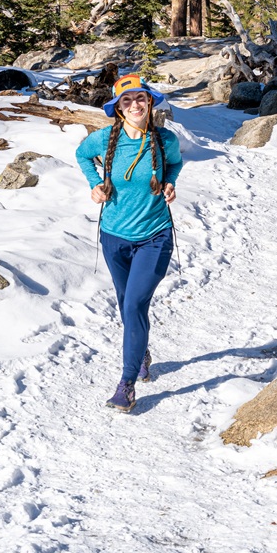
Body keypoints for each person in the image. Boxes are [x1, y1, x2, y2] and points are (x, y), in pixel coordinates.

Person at [75, 73, 183, 412]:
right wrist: (95, 183)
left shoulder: (165, 140)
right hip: (113, 237)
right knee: (127, 304)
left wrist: (168, 182)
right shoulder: (105, 139)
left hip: (155, 237)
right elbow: (81, 154)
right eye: (127, 100)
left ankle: (127, 384)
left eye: (140, 98)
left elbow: (176, 164)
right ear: (119, 108)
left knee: (135, 304)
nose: (135, 105)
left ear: (149, 102)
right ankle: (141, 352)